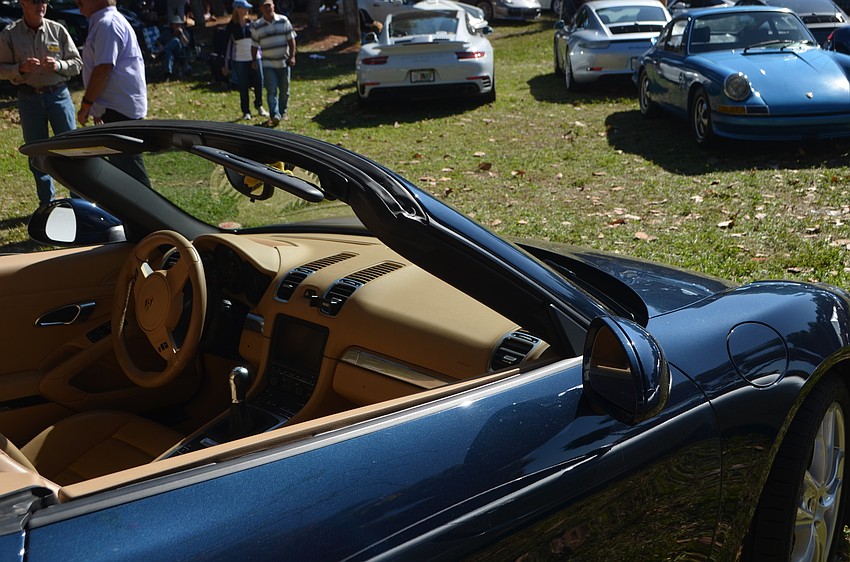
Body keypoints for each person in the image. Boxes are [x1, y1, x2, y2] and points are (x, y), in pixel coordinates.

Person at [0, 0, 82, 207]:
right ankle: (47, 203)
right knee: (37, 154)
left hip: (58, 96)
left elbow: (77, 64)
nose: (42, 5)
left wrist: (59, 64)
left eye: (44, 1)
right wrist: (19, 68)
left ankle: (79, 201)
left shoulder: (58, 30)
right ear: (23, 4)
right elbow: (1, 69)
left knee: (71, 150)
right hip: (28, 99)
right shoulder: (10, 34)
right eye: (36, 1)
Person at [76, 0, 151, 188]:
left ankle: (148, 215)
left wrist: (87, 105)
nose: (77, 2)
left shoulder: (107, 24)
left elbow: (103, 68)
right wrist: (98, 108)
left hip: (118, 110)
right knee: (125, 172)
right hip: (114, 108)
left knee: (131, 175)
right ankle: (136, 214)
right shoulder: (104, 22)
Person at [251, 0, 296, 127]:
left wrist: (292, 56)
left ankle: (282, 111)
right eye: (264, 6)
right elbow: (254, 45)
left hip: (283, 61)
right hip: (268, 64)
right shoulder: (257, 25)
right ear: (260, 8)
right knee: (271, 90)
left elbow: (291, 40)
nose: (267, 8)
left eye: (269, 5)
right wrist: (254, 60)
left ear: (274, 6)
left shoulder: (283, 20)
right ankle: (274, 114)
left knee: (284, 90)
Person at [224, 0, 268, 120]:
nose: (247, 10)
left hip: (255, 58)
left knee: (259, 82)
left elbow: (259, 40)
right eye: (244, 8)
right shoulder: (232, 26)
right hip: (239, 59)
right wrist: (226, 64)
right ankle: (246, 111)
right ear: (237, 9)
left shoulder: (252, 24)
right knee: (243, 86)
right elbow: (227, 45)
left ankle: (259, 105)